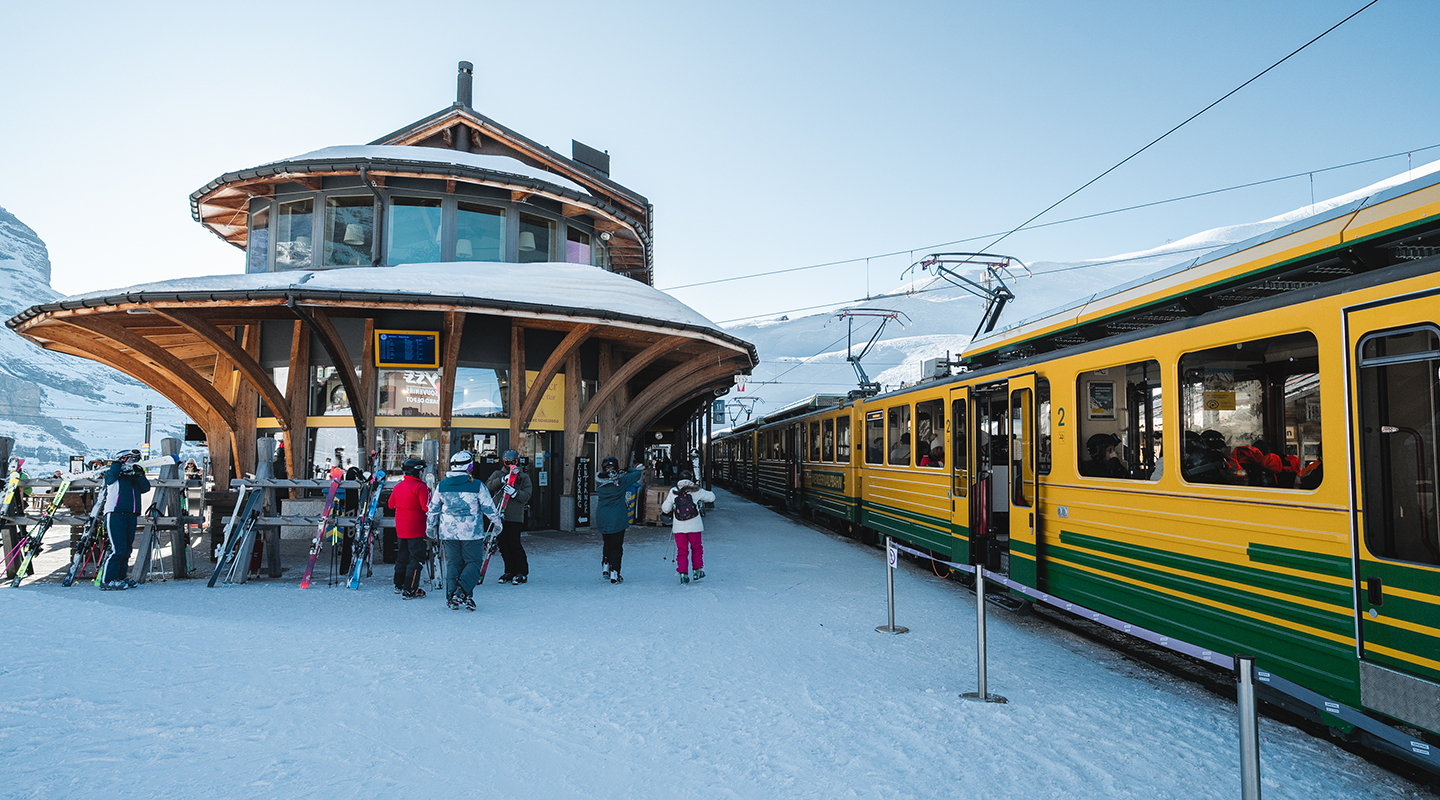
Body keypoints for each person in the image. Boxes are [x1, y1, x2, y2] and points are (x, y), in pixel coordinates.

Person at [426, 450, 503, 611]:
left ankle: (452, 596)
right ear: (469, 466)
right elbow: (488, 507)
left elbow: (433, 509)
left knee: (453, 563)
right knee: (474, 563)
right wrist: (497, 523)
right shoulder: (476, 485)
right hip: (471, 532)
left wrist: (430, 526)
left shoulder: (442, 485)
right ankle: (461, 592)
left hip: (448, 532)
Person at [100, 449, 151, 590]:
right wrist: (117, 463)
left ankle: (120, 577)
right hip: (115, 513)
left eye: (136, 460)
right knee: (118, 548)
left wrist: (140, 475)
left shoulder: (132, 477)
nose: (134, 462)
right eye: (131, 459)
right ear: (123, 459)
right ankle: (107, 580)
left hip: (131, 514)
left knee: (127, 549)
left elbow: (145, 488)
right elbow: (110, 478)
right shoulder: (113, 475)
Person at [484, 449, 533, 584]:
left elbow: (527, 495)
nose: (510, 464)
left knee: (514, 544)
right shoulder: (498, 474)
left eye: (514, 462)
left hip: (514, 516)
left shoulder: (523, 477)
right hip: (499, 516)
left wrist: (515, 493)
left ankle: (521, 572)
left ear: (518, 462)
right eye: (508, 462)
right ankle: (509, 570)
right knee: (503, 545)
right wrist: (502, 480)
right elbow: (487, 486)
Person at [594, 455, 643, 583]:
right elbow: (638, 474)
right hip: (617, 517)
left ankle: (605, 563)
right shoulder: (621, 481)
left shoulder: (599, 480)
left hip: (602, 516)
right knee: (616, 545)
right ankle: (614, 572)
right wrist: (629, 469)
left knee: (607, 542)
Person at [662, 471, 716, 584]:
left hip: (679, 528)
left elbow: (665, 508)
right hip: (695, 527)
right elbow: (712, 497)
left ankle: (683, 575)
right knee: (696, 548)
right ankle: (697, 571)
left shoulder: (673, 491)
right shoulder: (696, 490)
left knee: (682, 550)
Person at [389, 458, 431, 598]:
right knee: (417, 558)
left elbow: (390, 504)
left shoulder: (398, 486)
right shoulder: (420, 487)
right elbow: (427, 507)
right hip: (417, 528)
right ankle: (410, 588)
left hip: (401, 528)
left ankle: (398, 585)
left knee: (402, 557)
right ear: (417, 472)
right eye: (422, 471)